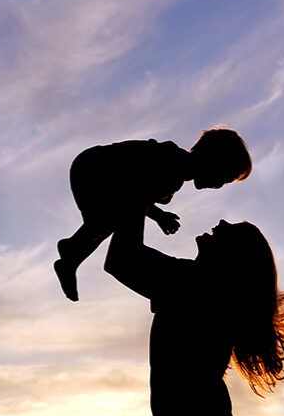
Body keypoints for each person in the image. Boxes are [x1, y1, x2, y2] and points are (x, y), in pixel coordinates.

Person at [62, 212, 284, 416]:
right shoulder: (196, 282)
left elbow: (122, 259)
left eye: (232, 231)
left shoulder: (193, 282)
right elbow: (122, 259)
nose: (222, 224)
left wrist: (135, 196)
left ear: (233, 258)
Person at [54, 127, 252, 301]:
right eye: (224, 178)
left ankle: (72, 251)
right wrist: (157, 216)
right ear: (213, 160)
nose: (219, 186)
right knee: (114, 218)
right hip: (94, 170)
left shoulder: (174, 174)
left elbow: (139, 197)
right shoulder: (170, 163)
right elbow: (136, 194)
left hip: (97, 172)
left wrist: (159, 216)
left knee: (110, 219)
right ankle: (72, 250)